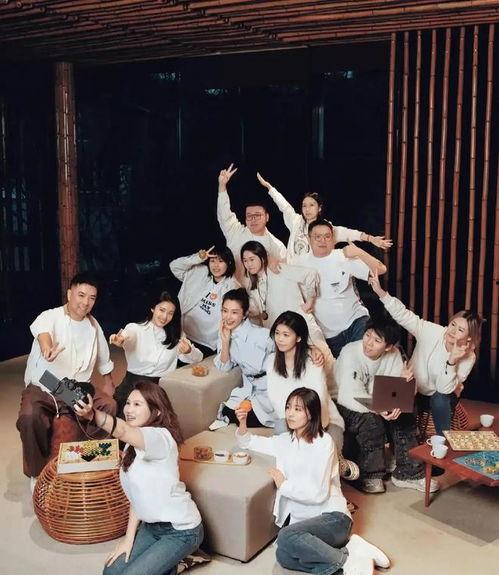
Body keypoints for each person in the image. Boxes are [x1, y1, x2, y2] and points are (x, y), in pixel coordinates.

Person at [235, 388, 390, 575]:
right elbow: (248, 442)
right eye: (288, 407)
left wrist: (284, 485)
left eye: (298, 409)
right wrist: (242, 422)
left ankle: (346, 561)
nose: (290, 413)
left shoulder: (323, 443)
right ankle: (351, 551)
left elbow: (318, 494)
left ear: (311, 413)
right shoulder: (285, 441)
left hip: (334, 519)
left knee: (286, 536)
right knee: (283, 556)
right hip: (308, 528)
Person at [74, 382, 203, 575]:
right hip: (151, 527)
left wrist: (92, 415)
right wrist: (128, 539)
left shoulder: (160, 438)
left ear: (156, 412)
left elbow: (123, 430)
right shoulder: (131, 446)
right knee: (110, 572)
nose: (128, 410)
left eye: (137, 404)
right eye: (128, 403)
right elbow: (136, 496)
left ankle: (181, 558)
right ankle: (174, 564)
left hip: (181, 530)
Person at [16, 273, 116, 488]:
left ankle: (88, 459)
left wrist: (108, 382)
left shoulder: (93, 325)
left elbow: (104, 357)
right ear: (69, 294)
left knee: (108, 405)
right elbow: (43, 333)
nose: (85, 302)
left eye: (91, 298)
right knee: (29, 415)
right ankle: (37, 474)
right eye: (81, 295)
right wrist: (47, 348)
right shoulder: (50, 316)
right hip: (46, 381)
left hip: (76, 387)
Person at [369, 270, 483, 437]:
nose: (452, 331)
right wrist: (381, 292)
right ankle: (390, 440)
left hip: (441, 396)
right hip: (413, 387)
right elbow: (404, 316)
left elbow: (444, 389)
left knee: (439, 398)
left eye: (460, 330)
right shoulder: (431, 331)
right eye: (453, 325)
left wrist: (452, 360)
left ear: (469, 338)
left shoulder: (468, 357)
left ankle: (442, 441)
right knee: (389, 392)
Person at [335, 318, 439, 494]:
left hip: (375, 402)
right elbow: (348, 396)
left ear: (388, 346)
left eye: (377, 340)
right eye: (367, 335)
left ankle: (408, 473)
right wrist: (379, 409)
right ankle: (371, 475)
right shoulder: (350, 352)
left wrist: (404, 385)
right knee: (371, 421)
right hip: (344, 403)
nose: (368, 343)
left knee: (405, 415)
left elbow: (394, 391)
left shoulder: (394, 354)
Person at [295, 219, 387, 360]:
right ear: (308, 238)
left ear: (333, 238)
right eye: (317, 237)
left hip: (356, 322)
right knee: (344, 370)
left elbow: (380, 269)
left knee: (366, 362)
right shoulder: (298, 263)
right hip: (328, 335)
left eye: (327, 236)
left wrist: (359, 252)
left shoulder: (343, 256)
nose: (322, 241)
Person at [257, 172, 392, 262]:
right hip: (294, 275)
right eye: (304, 206)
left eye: (311, 205)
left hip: (317, 276)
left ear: (319, 208)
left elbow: (349, 233)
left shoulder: (326, 228)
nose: (307, 209)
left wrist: (371, 239)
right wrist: (269, 188)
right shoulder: (296, 221)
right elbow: (284, 206)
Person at [109, 291, 202, 415]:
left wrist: (188, 350)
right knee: (125, 418)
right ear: (153, 308)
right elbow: (127, 335)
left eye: (170, 313)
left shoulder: (177, 335)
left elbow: (198, 358)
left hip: (159, 388)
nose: (164, 317)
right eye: (161, 310)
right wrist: (120, 339)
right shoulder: (136, 329)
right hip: (133, 385)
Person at [212, 288, 277, 428]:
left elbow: (288, 350)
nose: (228, 317)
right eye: (225, 311)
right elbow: (224, 367)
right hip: (249, 387)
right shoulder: (224, 333)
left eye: (234, 312)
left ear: (245, 314)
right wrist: (225, 342)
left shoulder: (262, 335)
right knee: (228, 411)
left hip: (271, 386)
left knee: (250, 416)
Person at [217, 164, 286, 281]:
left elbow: (283, 274)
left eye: (257, 215)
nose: (253, 219)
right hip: (232, 288)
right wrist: (222, 186)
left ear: (267, 217)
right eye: (249, 216)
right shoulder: (236, 232)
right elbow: (224, 215)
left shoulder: (277, 246)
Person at [169, 245, 239, 355]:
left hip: (205, 343)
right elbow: (174, 266)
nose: (216, 265)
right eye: (212, 261)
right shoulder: (199, 272)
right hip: (179, 332)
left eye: (220, 261)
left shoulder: (233, 287)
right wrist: (198, 257)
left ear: (229, 263)